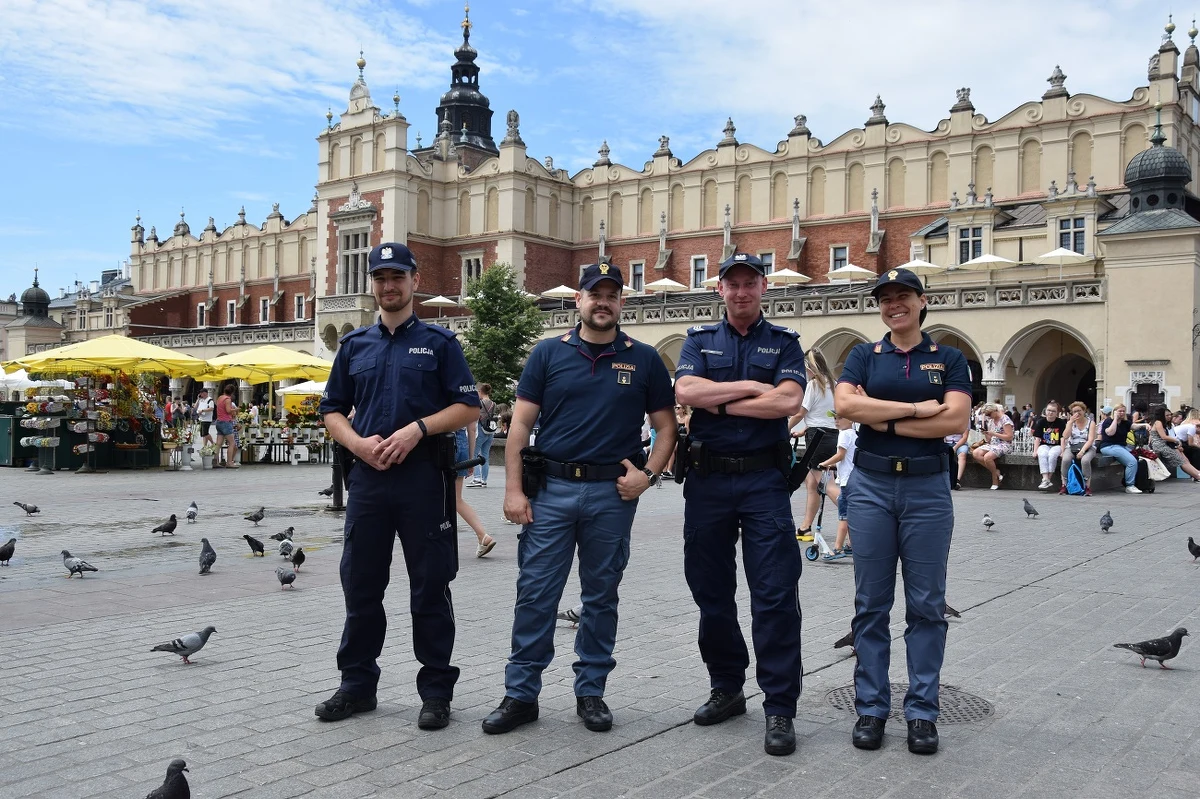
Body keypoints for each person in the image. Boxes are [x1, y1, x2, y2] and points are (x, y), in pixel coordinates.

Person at [484, 260, 675, 736]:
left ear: (621, 303)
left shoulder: (645, 358)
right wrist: (512, 490)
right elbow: (520, 427)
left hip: (613, 494)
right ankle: (521, 694)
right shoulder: (548, 354)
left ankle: (591, 692)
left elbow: (669, 428)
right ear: (579, 300)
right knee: (535, 594)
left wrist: (648, 477)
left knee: (601, 596)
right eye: (595, 293)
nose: (603, 301)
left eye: (612, 294)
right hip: (550, 491)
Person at [316, 242, 480, 729]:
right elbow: (331, 410)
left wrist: (417, 430)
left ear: (414, 281)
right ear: (373, 284)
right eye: (381, 278)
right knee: (361, 586)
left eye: (397, 277)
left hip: (423, 480)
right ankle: (356, 686)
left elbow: (469, 406)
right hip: (367, 480)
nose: (389, 286)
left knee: (431, 587)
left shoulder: (440, 343)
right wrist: (358, 445)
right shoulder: (354, 346)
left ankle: (435, 692)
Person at [674, 252, 807, 757]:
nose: (742, 291)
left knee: (774, 593)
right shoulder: (699, 341)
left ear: (764, 287)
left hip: (763, 482)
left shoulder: (784, 343)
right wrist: (754, 386)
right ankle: (727, 687)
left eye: (750, 283)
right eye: (733, 284)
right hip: (707, 483)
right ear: (720, 290)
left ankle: (780, 706)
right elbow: (685, 389)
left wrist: (719, 397)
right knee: (711, 592)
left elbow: (788, 402)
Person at [834, 267, 971, 756]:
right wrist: (918, 412)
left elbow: (955, 420)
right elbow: (847, 408)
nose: (894, 305)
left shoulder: (949, 357)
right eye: (885, 299)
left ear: (921, 300)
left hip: (928, 489)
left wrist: (883, 415)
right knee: (870, 605)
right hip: (870, 487)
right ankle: (871, 707)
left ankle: (921, 713)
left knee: (927, 606)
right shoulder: (863, 355)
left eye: (903, 296)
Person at [789, 349, 838, 542]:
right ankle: (805, 528)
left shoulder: (813, 385)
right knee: (812, 483)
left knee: (827, 484)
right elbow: (823, 414)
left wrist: (786, 429)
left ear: (810, 367)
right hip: (831, 435)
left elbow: (801, 412)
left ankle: (852, 521)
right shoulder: (833, 384)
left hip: (818, 439)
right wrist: (804, 430)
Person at [817, 414, 857, 560]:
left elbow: (840, 455)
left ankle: (837, 548)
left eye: (840, 418)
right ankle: (851, 545)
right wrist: (832, 466)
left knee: (843, 517)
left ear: (851, 419)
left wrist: (824, 463)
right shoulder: (854, 434)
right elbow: (847, 459)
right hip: (853, 480)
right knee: (850, 515)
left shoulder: (844, 434)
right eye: (835, 418)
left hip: (846, 482)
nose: (836, 421)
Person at [455, 424, 495, 556]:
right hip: (461, 443)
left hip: (441, 440)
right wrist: (471, 459)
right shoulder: (471, 402)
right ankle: (482, 535)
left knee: (435, 495)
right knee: (456, 499)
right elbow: (471, 429)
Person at [1097, 404, 1142, 494]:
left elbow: (1133, 426)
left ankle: (1137, 482)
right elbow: (1110, 433)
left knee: (1138, 458)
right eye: (1119, 411)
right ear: (1115, 412)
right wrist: (1115, 419)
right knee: (1131, 461)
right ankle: (1130, 485)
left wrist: (1144, 425)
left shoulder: (1125, 422)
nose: (1121, 413)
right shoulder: (1108, 421)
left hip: (1122, 446)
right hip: (1109, 446)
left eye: (1123, 411)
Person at [1148, 405, 1200, 481]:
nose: (1170, 416)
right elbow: (1164, 437)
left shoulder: (1168, 424)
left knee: (1184, 458)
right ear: (1162, 415)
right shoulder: (1158, 422)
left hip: (1167, 444)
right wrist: (1177, 441)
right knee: (1181, 460)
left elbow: (1170, 436)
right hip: (1160, 446)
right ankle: (1197, 476)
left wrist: (1177, 445)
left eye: (1170, 415)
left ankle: (1197, 473)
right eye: (1167, 415)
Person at [1058, 401, 1098, 495]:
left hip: (1087, 447)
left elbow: (1091, 439)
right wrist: (1070, 422)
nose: (1077, 413)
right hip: (1072, 446)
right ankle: (1064, 485)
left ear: (1084, 411)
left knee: (1085, 460)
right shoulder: (1070, 422)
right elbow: (1065, 436)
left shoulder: (1090, 423)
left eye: (1079, 410)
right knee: (1065, 459)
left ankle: (1087, 486)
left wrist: (1083, 451)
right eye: (1074, 411)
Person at [970, 403, 1014, 489]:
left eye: (989, 414)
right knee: (975, 453)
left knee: (987, 457)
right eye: (987, 415)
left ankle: (995, 479)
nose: (988, 417)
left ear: (994, 411)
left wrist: (994, 434)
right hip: (993, 444)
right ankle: (997, 472)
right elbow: (989, 439)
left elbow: (1009, 437)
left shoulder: (1005, 420)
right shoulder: (991, 421)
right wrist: (986, 433)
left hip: (1005, 444)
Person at [468, 383, 499, 488]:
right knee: (485, 455)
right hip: (490, 431)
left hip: (481, 431)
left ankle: (476, 478)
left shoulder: (479, 403)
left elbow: (476, 416)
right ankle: (484, 479)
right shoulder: (493, 404)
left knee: (475, 455)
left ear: (480, 391)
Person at [1032, 402, 1065, 489]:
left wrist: (1062, 451)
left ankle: (1047, 479)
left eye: (1053, 411)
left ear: (1057, 413)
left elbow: (1062, 438)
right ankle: (1045, 479)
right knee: (1042, 454)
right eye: (1049, 410)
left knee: (1052, 455)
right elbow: (1037, 438)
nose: (1050, 413)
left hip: (1056, 445)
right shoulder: (1041, 422)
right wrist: (1035, 451)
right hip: (1044, 445)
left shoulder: (1061, 422)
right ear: (1045, 411)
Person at [213, 385, 240, 468]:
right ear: (232, 393)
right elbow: (228, 411)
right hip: (226, 422)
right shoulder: (228, 399)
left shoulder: (220, 398)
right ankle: (229, 462)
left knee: (218, 444)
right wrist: (236, 409)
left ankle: (215, 461)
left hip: (218, 422)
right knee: (232, 443)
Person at [944, 419, 970, 490]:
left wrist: (955, 447)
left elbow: (964, 438)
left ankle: (957, 480)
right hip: (948, 442)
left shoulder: (965, 420)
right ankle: (945, 479)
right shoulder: (945, 419)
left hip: (960, 443)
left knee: (962, 455)